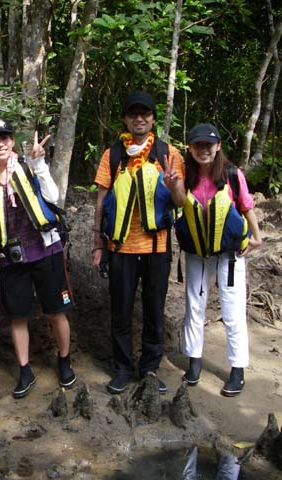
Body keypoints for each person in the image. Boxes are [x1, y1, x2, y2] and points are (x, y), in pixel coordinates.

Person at [92, 91, 186, 395]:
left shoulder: (168, 153)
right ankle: (122, 368)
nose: (139, 118)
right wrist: (97, 242)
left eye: (145, 113)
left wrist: (174, 188)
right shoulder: (113, 155)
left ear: (153, 118)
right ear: (125, 118)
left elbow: (181, 200)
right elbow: (101, 200)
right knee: (120, 311)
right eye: (133, 113)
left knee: (154, 311)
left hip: (157, 248)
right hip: (120, 249)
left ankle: (149, 368)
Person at [0, 118, 76, 399]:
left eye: (4, 137)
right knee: (17, 316)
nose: (0, 143)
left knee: (56, 310)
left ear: (12, 140)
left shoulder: (27, 167)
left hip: (46, 250)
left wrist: (39, 165)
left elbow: (54, 196)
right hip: (11, 258)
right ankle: (24, 370)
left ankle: (64, 360)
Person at [176, 123, 262, 397]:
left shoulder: (232, 175)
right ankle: (194, 362)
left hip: (229, 254)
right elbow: (178, 204)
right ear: (190, 149)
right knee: (194, 308)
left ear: (218, 146)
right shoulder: (185, 175)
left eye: (208, 145)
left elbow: (246, 206)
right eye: (198, 145)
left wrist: (256, 237)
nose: (203, 150)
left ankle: (237, 370)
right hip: (197, 253)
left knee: (232, 310)